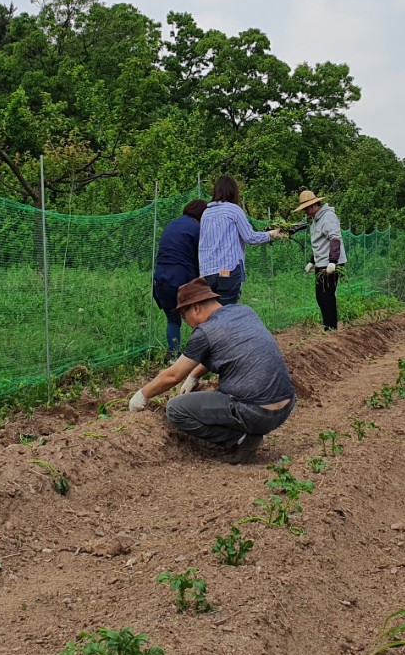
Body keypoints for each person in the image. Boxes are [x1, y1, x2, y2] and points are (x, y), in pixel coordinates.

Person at [127, 277, 295, 463]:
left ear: (196, 308)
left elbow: (173, 376)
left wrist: (142, 395)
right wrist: (193, 376)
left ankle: (242, 439)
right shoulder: (243, 311)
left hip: (257, 412)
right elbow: (221, 349)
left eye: (184, 316)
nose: (186, 322)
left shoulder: (206, 331)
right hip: (285, 407)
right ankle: (246, 431)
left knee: (175, 409)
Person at [197, 175, 284, 305]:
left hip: (207, 273)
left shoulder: (206, 213)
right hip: (227, 271)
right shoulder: (234, 210)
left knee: (212, 313)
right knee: (228, 311)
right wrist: (270, 235)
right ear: (233, 191)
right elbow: (250, 237)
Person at [152, 199, 209, 355]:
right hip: (182, 279)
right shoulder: (197, 228)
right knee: (200, 320)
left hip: (161, 279)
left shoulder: (172, 224)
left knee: (173, 319)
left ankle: (174, 356)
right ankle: (197, 357)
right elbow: (202, 256)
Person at [295, 188, 346, 331]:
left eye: (306, 208)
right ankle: (328, 326)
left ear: (314, 205)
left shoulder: (328, 216)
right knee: (321, 297)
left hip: (330, 264)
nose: (305, 212)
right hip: (321, 263)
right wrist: (312, 261)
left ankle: (331, 328)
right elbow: (320, 243)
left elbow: (335, 238)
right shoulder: (315, 221)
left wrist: (333, 261)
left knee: (326, 296)